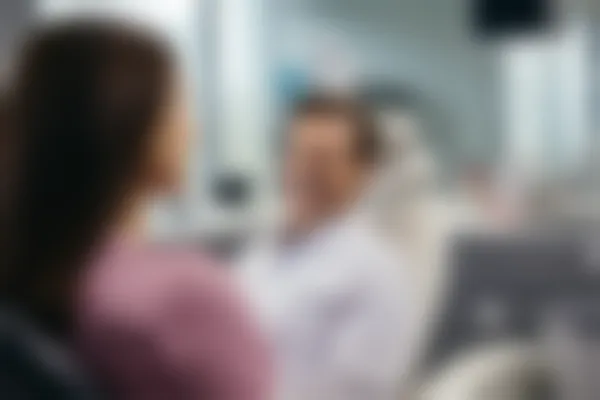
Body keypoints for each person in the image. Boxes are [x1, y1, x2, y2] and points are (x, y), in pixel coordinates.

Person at [5, 20, 271, 399]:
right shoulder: (179, 298)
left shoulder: (33, 282)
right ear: (132, 123)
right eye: (178, 106)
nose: (192, 130)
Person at [237, 94, 412, 400]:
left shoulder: (376, 275)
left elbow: (353, 392)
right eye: (296, 154)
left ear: (365, 172)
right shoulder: (261, 254)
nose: (304, 171)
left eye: (323, 160)